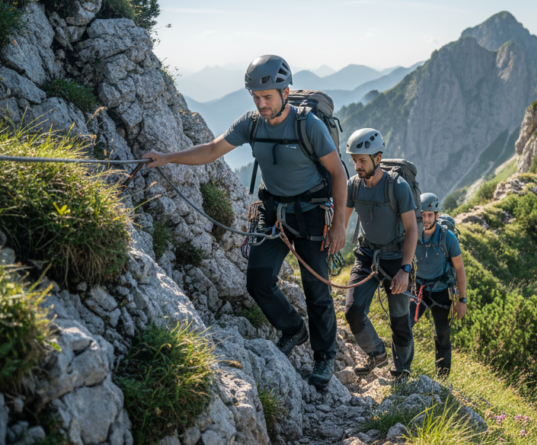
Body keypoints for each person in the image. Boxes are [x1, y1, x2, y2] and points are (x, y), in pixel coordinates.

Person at [143, 55, 349, 388]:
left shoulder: (308, 125)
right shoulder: (250, 123)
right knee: (257, 280)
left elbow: (338, 173)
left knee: (317, 290)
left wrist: (339, 224)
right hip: (272, 211)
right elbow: (211, 150)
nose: (260, 103)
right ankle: (293, 329)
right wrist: (166, 158)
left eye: (266, 96)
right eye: (255, 96)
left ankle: (324, 356)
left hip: (311, 213)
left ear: (285, 91)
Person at [343, 128, 419, 379]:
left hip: (396, 259)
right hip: (366, 256)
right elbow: (341, 224)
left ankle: (402, 370)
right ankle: (376, 353)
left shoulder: (397, 187)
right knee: (353, 311)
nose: (357, 166)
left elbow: (411, 230)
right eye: (354, 160)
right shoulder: (353, 185)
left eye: (362, 160)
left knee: (400, 320)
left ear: (378, 158)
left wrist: (405, 270)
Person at [409, 193, 467, 379]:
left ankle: (442, 377)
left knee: (442, 335)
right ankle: (402, 369)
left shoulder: (447, 238)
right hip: (418, 289)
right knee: (404, 326)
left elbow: (459, 269)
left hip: (441, 291)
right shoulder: (412, 233)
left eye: (430, 215)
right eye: (423, 214)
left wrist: (462, 300)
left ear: (436, 215)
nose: (426, 219)